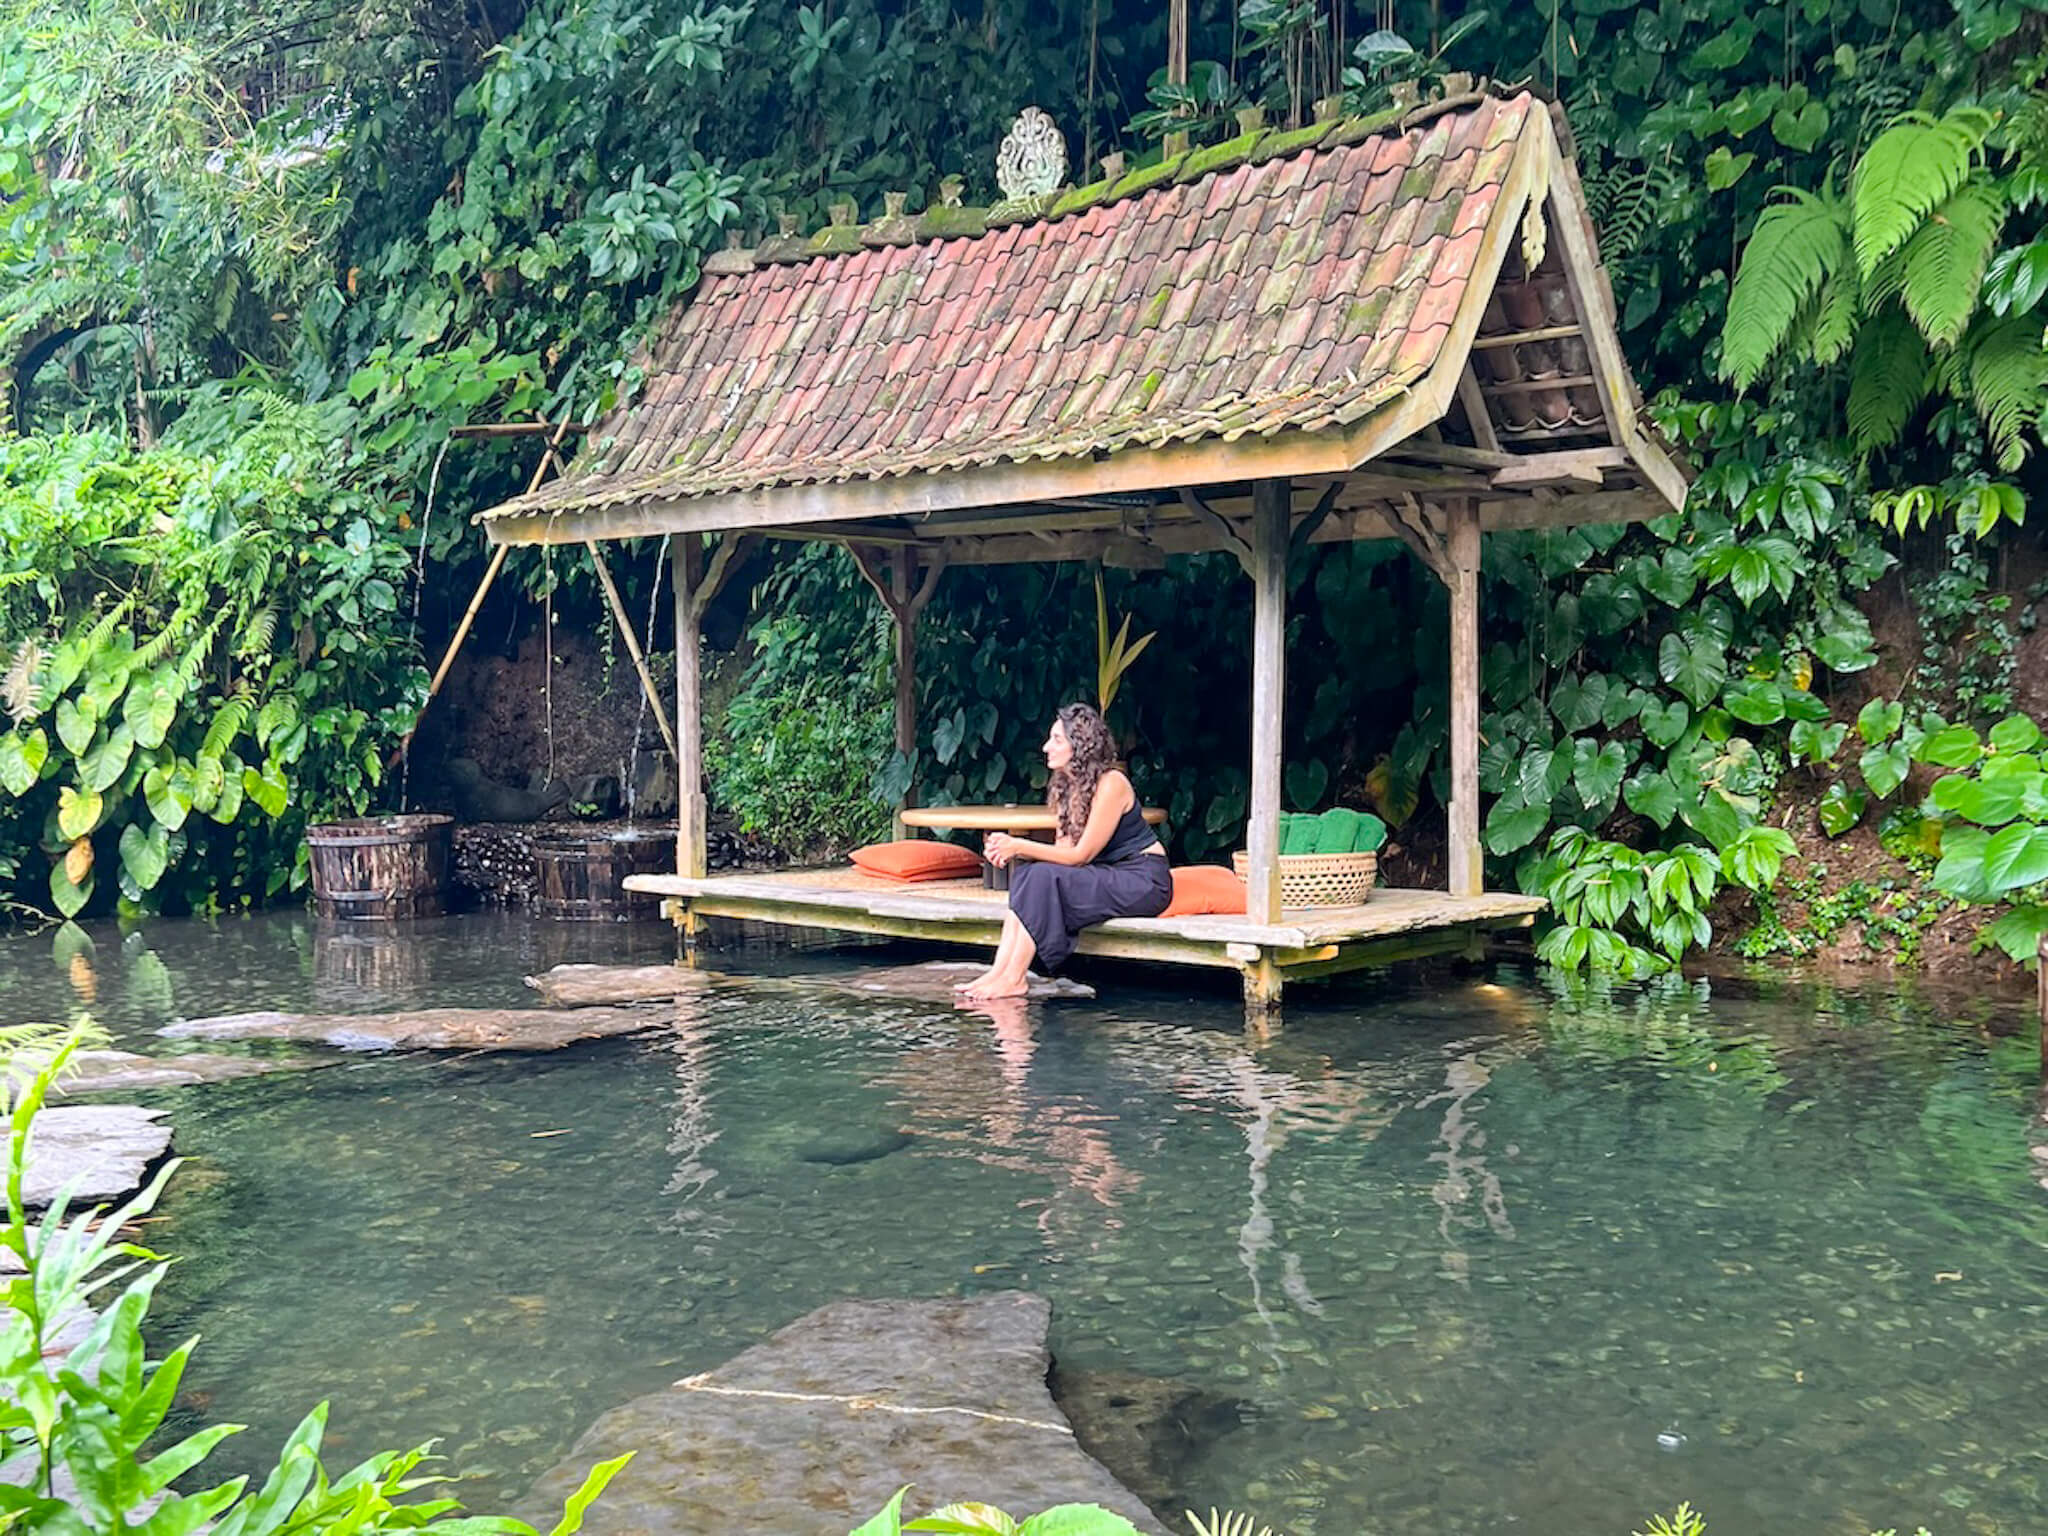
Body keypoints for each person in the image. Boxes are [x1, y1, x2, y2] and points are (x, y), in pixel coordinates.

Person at [957, 703, 1171, 1000]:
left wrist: (1017, 845)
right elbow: (1062, 855)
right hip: (1108, 873)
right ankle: (999, 972)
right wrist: (1016, 853)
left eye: (1056, 740)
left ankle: (1015, 978)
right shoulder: (1067, 786)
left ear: (1080, 745)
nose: (1046, 747)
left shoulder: (1112, 783)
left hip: (1143, 879)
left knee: (1041, 876)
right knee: (1029, 875)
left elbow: (1080, 856)